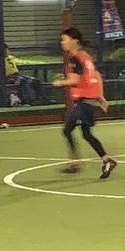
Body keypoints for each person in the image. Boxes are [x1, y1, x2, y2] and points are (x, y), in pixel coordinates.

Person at [51, 27, 118, 179]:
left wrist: (60, 82)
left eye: (64, 39)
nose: (62, 43)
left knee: (67, 129)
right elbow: (97, 75)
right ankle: (107, 160)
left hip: (85, 102)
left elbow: (74, 80)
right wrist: (100, 96)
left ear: (74, 41)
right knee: (86, 134)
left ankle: (75, 163)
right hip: (89, 101)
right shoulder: (85, 56)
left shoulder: (74, 58)